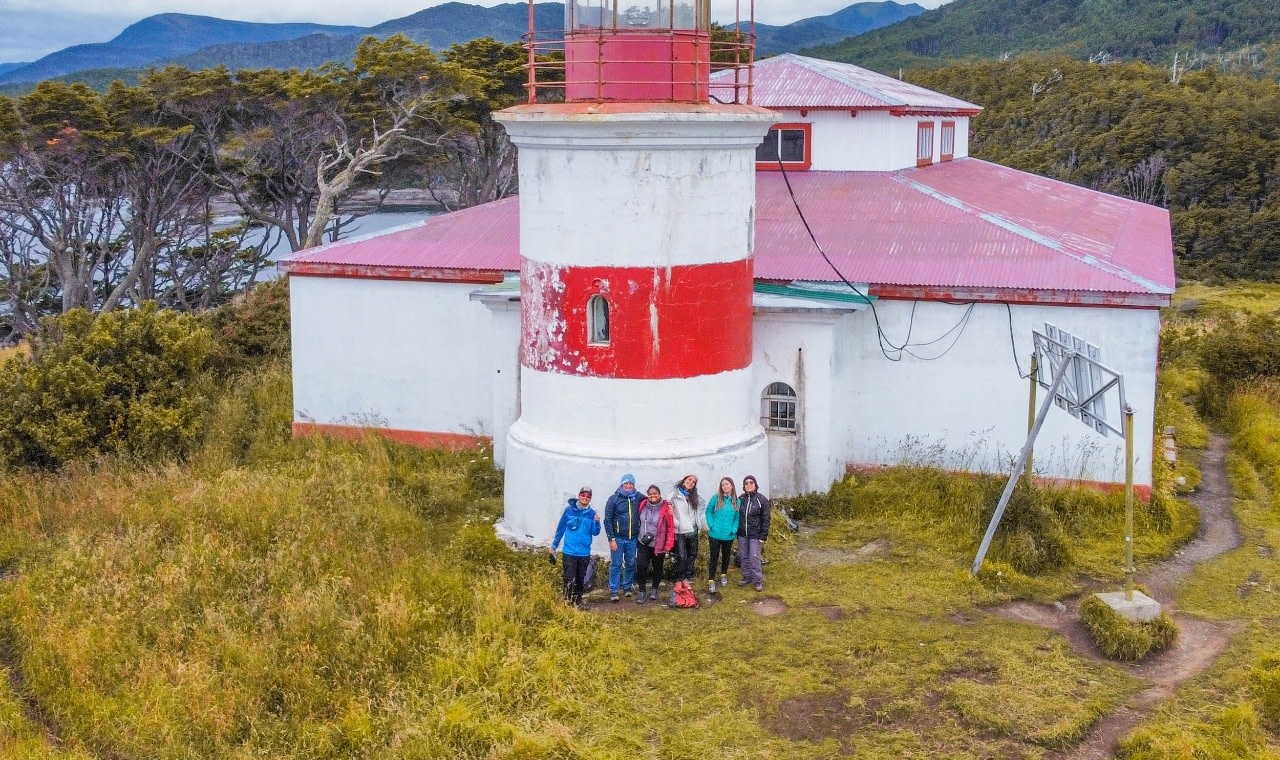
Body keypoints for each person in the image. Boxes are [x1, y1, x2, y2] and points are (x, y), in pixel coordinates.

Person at [550, 486, 602, 607]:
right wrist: (554, 546)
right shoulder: (569, 510)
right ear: (578, 496)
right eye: (583, 495)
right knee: (569, 578)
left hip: (584, 553)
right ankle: (567, 601)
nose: (585, 498)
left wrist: (597, 522)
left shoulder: (592, 513)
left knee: (580, 579)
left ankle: (578, 602)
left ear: (590, 499)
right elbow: (561, 529)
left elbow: (595, 532)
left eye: (588, 496)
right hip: (569, 552)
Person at [604, 473, 644, 602]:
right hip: (618, 538)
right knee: (616, 564)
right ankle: (614, 590)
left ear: (634, 485)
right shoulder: (613, 499)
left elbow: (652, 500)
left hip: (632, 538)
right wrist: (611, 539)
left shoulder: (637, 497)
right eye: (626, 483)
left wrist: (667, 504)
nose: (628, 486)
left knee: (631, 563)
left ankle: (627, 587)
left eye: (631, 483)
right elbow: (607, 520)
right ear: (622, 484)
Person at [634, 484, 675, 603]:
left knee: (657, 567)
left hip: (658, 544)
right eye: (650, 494)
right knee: (641, 566)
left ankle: (654, 589)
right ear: (647, 495)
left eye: (655, 493)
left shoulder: (666, 507)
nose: (652, 496)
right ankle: (642, 591)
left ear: (659, 494)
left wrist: (669, 544)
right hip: (643, 542)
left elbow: (670, 527)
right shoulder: (642, 504)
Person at [704, 476, 740, 594]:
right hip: (714, 534)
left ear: (732, 486)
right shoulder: (715, 498)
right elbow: (708, 511)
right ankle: (711, 580)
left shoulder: (737, 501)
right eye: (723, 485)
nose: (725, 486)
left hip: (728, 535)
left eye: (727, 484)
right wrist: (711, 525)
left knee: (726, 556)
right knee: (714, 557)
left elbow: (737, 517)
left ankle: (723, 574)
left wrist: (734, 529)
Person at [737, 475, 771, 592]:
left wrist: (763, 536)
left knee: (754, 557)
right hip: (742, 534)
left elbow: (766, 519)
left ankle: (757, 581)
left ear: (755, 484)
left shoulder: (762, 500)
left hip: (755, 535)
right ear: (744, 486)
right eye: (746, 483)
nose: (748, 484)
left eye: (751, 482)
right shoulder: (741, 499)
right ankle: (747, 576)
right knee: (744, 556)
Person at [668, 474, 703, 583]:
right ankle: (679, 577)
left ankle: (687, 576)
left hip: (693, 528)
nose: (691, 482)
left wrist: (698, 521)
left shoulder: (695, 496)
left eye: (694, 482)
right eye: (689, 479)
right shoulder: (674, 495)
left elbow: (701, 507)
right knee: (681, 555)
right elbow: (668, 510)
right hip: (681, 530)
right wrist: (676, 522)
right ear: (684, 481)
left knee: (692, 553)